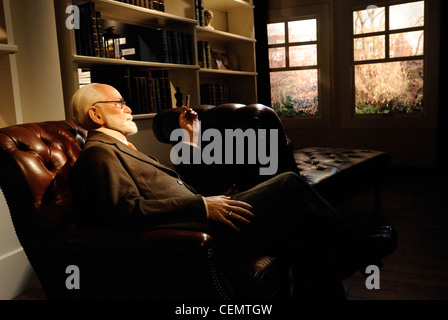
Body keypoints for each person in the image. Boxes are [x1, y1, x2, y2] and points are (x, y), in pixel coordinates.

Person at [69, 83, 397, 299]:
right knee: (289, 184)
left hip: (210, 215)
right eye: (120, 103)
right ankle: (364, 249)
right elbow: (125, 211)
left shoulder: (125, 148)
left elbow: (176, 185)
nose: (127, 108)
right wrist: (201, 208)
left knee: (304, 230)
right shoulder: (100, 153)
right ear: (96, 113)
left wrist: (190, 136)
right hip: (202, 234)